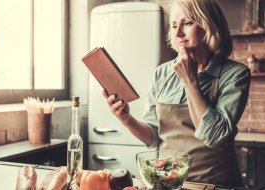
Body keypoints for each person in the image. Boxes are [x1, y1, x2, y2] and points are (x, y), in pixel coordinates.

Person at [103, 0, 250, 187]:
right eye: (174, 26)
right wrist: (126, 118)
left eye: (187, 23)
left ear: (209, 25)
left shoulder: (235, 74)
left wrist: (190, 81)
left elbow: (213, 136)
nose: (178, 33)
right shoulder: (162, 73)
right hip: (169, 183)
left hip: (214, 184)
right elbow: (154, 136)